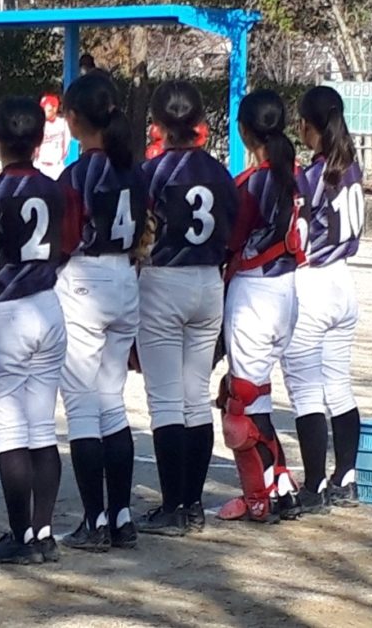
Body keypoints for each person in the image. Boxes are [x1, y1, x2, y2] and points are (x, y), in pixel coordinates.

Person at [0, 97, 79, 566]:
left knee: (10, 428)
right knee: (42, 426)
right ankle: (43, 532)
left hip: (6, 309)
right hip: (47, 304)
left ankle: (23, 535)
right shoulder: (56, 189)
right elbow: (69, 243)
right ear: (40, 140)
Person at [135, 82, 237, 536]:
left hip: (164, 280)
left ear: (158, 125)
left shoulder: (153, 171)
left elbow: (140, 231)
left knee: (165, 400)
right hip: (207, 281)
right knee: (196, 395)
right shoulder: (219, 171)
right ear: (198, 123)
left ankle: (174, 505)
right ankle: (193, 504)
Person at [56, 71, 146, 552]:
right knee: (112, 401)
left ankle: (94, 520)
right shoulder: (133, 166)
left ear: (74, 118)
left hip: (86, 278)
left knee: (82, 406)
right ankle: (122, 515)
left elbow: (65, 235)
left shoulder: (79, 172)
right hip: (124, 278)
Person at [218, 89, 308, 524]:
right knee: (258, 400)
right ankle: (282, 485)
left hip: (254, 293)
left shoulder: (251, 183)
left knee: (243, 408)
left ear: (243, 130)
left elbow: (230, 241)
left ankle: (261, 496)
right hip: (287, 292)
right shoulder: (296, 175)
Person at [281, 86, 364, 510]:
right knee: (339, 386)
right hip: (343, 282)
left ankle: (313, 486)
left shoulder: (311, 176)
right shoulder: (352, 167)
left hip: (312, 281)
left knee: (306, 390)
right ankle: (345, 476)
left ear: (307, 126)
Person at [34, 93, 71, 179]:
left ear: (54, 108)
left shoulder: (63, 124)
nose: (43, 110)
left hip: (57, 166)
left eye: (46, 108)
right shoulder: (39, 123)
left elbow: (66, 144)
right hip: (40, 164)